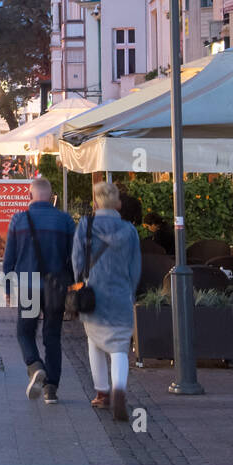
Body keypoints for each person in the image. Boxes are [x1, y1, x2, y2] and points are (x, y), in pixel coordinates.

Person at [2, 178, 76, 404]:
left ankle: (35, 365)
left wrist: (7, 287)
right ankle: (50, 389)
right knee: (52, 336)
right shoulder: (65, 220)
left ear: (30, 196)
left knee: (25, 332)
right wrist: (72, 285)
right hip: (56, 288)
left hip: (28, 285)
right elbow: (75, 258)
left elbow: (9, 259)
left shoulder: (19, 219)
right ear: (52, 196)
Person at [72, 181, 141, 422]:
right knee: (120, 346)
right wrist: (130, 291)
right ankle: (119, 389)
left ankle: (102, 393)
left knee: (94, 340)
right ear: (118, 204)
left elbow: (77, 260)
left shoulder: (85, 225)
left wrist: (79, 283)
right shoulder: (130, 231)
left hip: (94, 293)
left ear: (95, 203)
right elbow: (135, 267)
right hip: (120, 293)